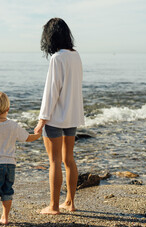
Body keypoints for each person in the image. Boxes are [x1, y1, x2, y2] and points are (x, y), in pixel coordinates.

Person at [34, 18, 85, 215]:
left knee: (54, 161)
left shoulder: (57, 58)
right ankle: (70, 203)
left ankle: (54, 206)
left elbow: (51, 91)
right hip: (72, 115)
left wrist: (42, 120)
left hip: (55, 117)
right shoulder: (76, 55)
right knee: (68, 159)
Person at [0, 92, 41, 226]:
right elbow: (27, 138)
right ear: (8, 108)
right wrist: (38, 135)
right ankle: (5, 218)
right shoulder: (13, 125)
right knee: (7, 190)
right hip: (10, 165)